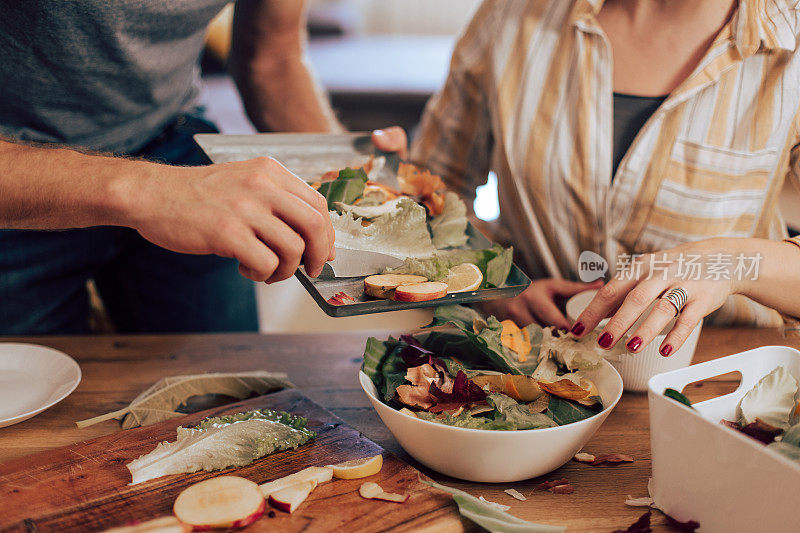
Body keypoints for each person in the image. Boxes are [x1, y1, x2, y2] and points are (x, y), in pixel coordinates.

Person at [374, 0, 800, 356]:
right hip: (530, 364)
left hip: (720, 377)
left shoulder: (790, 35)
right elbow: (436, 195)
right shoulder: (514, 13)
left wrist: (732, 263)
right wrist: (495, 285)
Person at [0, 1, 338, 335]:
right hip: (18, 175)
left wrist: (350, 174)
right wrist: (144, 190)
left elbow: (273, 59)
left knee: (224, 377)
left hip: (174, 144)